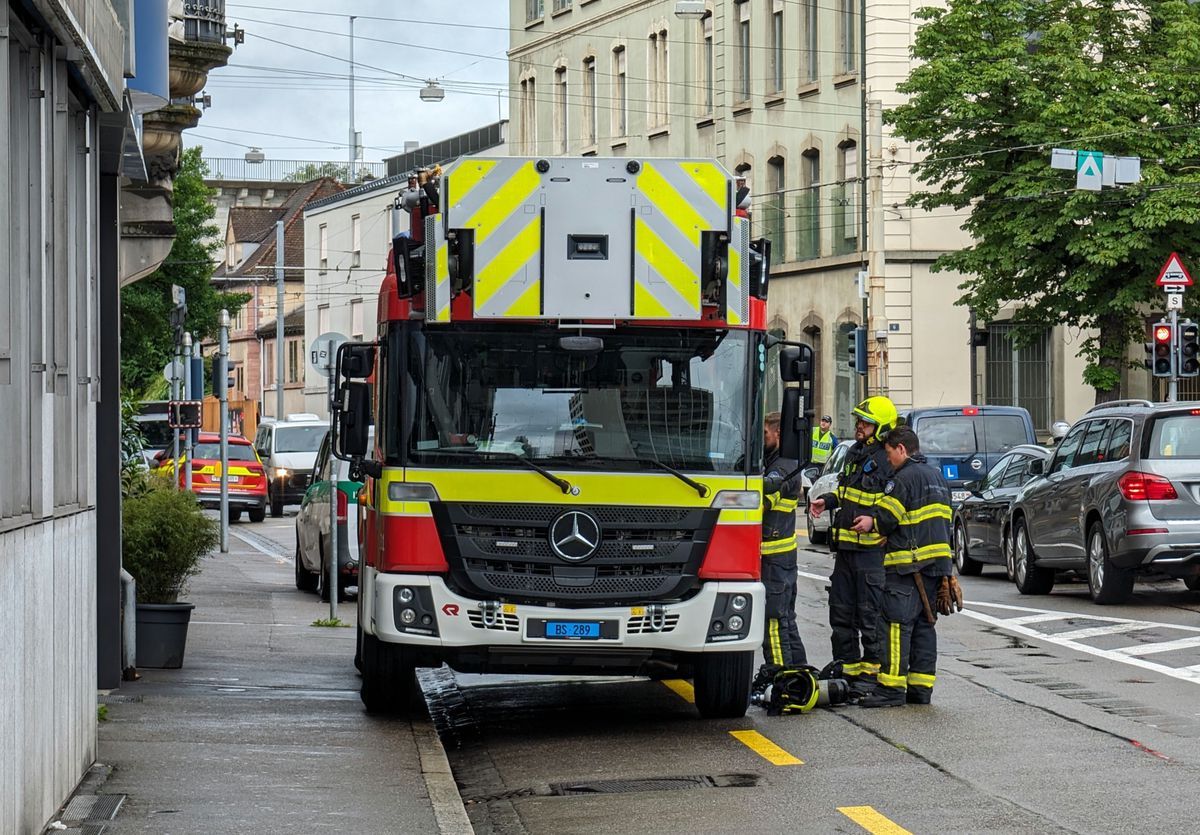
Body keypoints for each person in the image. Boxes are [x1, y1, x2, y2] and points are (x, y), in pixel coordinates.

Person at [853, 425, 953, 708]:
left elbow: (887, 518)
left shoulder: (902, 479)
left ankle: (891, 689)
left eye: (889, 453)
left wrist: (872, 522)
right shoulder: (936, 476)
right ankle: (920, 689)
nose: (887, 460)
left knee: (895, 625)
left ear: (901, 449)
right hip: (936, 566)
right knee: (924, 626)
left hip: (908, 566)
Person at [808, 396, 898, 700]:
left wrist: (874, 521)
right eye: (858, 421)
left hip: (871, 555)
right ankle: (846, 674)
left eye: (865, 422)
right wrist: (828, 501)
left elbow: (891, 504)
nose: (859, 426)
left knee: (869, 616)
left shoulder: (887, 460)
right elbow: (847, 492)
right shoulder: (854, 454)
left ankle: (870, 680)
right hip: (845, 553)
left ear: (881, 427)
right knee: (841, 614)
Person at [752, 411, 807, 701]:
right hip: (780, 558)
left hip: (775, 558)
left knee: (774, 619)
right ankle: (799, 673)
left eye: (764, 434)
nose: (761, 439)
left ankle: (779, 677)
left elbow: (764, 497)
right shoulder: (777, 462)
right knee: (786, 618)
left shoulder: (784, 466)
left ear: (778, 434)